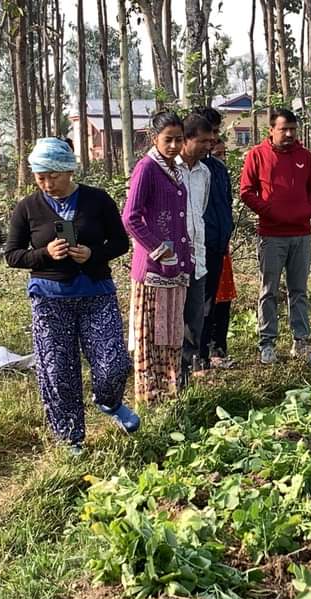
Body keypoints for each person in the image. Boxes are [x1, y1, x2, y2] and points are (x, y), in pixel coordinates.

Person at [4, 137, 137, 454]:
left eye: (54, 176)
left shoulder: (97, 200)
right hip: (50, 300)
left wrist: (93, 254)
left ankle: (109, 402)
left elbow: (120, 243)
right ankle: (70, 437)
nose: (48, 184)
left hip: (96, 295)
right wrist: (44, 253)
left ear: (69, 170)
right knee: (57, 371)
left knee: (114, 364)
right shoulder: (28, 208)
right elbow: (12, 255)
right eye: (41, 177)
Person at [239, 108, 311, 364]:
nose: (288, 134)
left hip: (301, 234)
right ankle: (267, 344)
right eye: (283, 129)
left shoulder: (305, 156)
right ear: (271, 130)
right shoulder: (257, 155)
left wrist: (307, 211)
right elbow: (246, 191)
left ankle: (301, 342)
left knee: (299, 290)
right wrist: (270, 212)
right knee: (269, 290)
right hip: (271, 235)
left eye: (292, 130)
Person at [122, 112, 194, 404]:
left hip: (175, 268)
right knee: (151, 335)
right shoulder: (147, 168)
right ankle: (150, 396)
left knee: (172, 332)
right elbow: (130, 218)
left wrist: (184, 256)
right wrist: (158, 248)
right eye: (168, 140)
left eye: (179, 139)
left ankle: (170, 393)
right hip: (153, 269)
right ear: (155, 139)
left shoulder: (174, 169)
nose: (174, 145)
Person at [176, 113, 214, 388]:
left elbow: (200, 212)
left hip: (197, 257)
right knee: (172, 321)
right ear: (185, 140)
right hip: (171, 261)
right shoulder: (168, 171)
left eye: (210, 141)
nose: (207, 146)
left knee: (194, 321)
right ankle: (171, 377)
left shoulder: (205, 173)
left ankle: (186, 379)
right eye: (202, 141)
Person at [195, 109, 236, 368]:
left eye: (216, 132)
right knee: (199, 303)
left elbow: (226, 203)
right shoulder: (190, 169)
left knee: (214, 300)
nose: (214, 138)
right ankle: (198, 357)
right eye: (210, 132)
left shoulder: (217, 169)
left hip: (218, 244)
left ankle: (212, 352)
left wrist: (225, 234)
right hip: (199, 245)